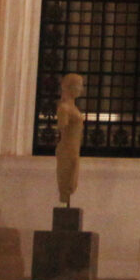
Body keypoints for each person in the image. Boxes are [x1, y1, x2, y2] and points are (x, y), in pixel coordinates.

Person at [54, 71, 86, 208]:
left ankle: (66, 199)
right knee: (67, 181)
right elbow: (61, 128)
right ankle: (64, 199)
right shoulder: (64, 108)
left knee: (72, 180)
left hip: (73, 149)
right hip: (67, 149)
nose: (80, 89)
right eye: (78, 85)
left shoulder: (73, 108)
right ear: (69, 87)